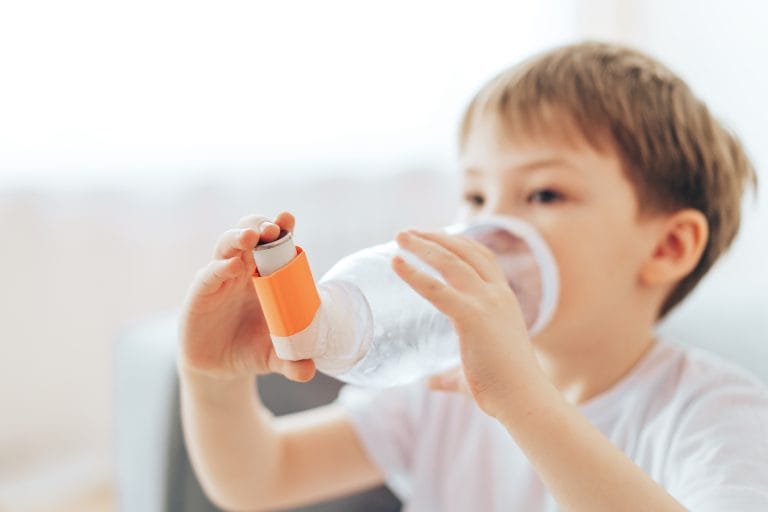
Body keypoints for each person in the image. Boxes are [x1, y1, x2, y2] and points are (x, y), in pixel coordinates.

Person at [177, 41, 768, 511]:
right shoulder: (438, 389)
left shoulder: (712, 414)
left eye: (543, 192)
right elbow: (260, 478)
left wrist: (522, 399)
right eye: (476, 196)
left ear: (667, 245)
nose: (492, 228)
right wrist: (213, 382)